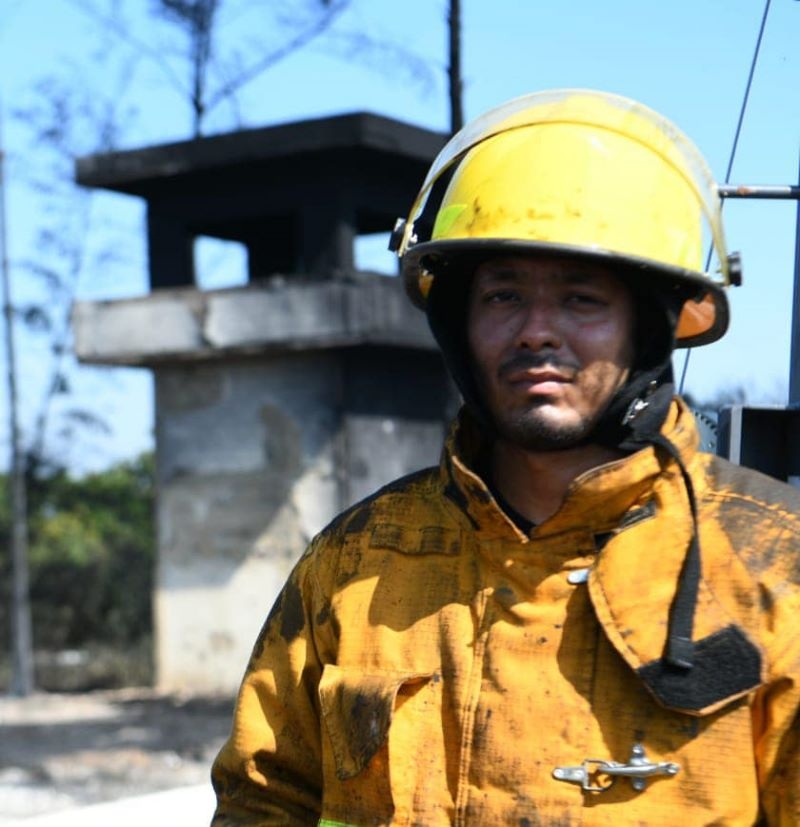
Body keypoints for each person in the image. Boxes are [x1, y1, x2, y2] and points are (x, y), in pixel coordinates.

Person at [210, 89, 800, 825]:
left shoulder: (775, 563)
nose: (536, 332)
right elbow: (264, 801)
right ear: (458, 323)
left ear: (650, 329)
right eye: (502, 296)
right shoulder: (356, 563)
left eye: (582, 299)